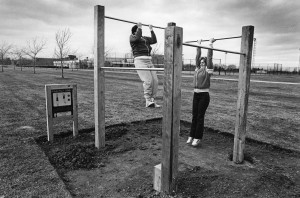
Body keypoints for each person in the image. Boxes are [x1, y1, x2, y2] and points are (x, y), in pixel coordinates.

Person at [187, 38, 216, 147]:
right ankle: (192, 135)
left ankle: (198, 137)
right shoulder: (197, 69)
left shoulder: (208, 70)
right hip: (196, 94)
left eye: (204, 62)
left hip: (204, 95)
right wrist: (198, 44)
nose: (202, 63)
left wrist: (210, 44)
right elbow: (197, 56)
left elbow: (209, 57)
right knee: (194, 116)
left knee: (200, 116)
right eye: (201, 62)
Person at [129, 22, 161, 108]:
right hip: (140, 61)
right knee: (148, 81)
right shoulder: (132, 37)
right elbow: (137, 38)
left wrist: (151, 30)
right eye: (138, 30)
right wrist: (139, 28)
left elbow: (154, 40)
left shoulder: (144, 38)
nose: (140, 32)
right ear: (135, 32)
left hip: (149, 61)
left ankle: (152, 100)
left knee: (155, 81)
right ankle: (147, 100)